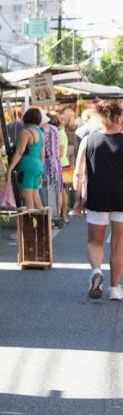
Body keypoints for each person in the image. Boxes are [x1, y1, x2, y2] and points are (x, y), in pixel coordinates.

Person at [74, 101, 123, 300]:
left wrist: (77, 200)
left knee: (95, 242)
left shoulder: (88, 140)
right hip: (121, 198)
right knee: (119, 243)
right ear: (119, 118)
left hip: (97, 197)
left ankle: (96, 271)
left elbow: (78, 173)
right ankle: (115, 289)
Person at [6, 108, 45, 210]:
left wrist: (10, 169)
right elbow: (42, 155)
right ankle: (43, 224)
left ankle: (32, 224)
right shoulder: (41, 133)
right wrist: (40, 171)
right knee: (36, 197)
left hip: (26, 167)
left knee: (27, 198)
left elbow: (19, 152)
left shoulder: (26, 132)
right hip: (37, 166)